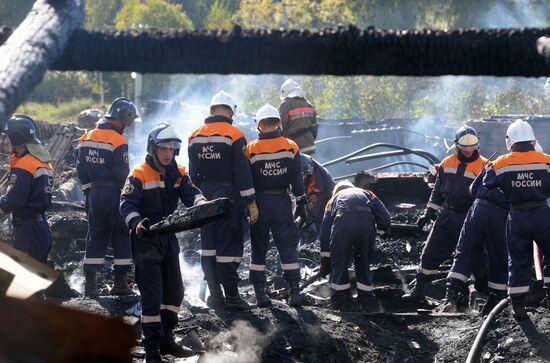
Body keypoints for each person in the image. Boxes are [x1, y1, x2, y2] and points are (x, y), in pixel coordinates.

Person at [120, 123, 205, 362]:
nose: (169, 153)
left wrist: (201, 203)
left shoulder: (178, 172)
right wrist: (138, 223)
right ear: (153, 148)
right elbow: (125, 207)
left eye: (172, 149)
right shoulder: (138, 174)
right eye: (164, 148)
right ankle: (152, 349)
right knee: (152, 297)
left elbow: (191, 194)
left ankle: (167, 340)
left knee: (174, 292)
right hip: (145, 239)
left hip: (168, 238)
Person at [188, 91, 257, 310]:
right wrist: (251, 202)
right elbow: (242, 173)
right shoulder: (235, 135)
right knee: (229, 246)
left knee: (208, 247)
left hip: (205, 196)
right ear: (229, 111)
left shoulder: (194, 136)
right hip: (229, 196)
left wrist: (201, 195)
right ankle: (233, 298)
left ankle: (215, 296)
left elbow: (193, 175)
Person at [403, 125, 487, 301]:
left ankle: (479, 294)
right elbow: (438, 192)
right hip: (447, 216)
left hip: (469, 217)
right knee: (430, 252)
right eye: (465, 146)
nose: (468, 150)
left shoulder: (485, 166)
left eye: (472, 145)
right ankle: (419, 291)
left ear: (477, 144)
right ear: (457, 145)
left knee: (474, 256)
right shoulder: (447, 163)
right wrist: (428, 212)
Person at [483, 119, 550, 320]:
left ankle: (518, 306)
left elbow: (487, 183)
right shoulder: (546, 160)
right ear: (532, 140)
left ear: (510, 141)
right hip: (542, 214)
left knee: (518, 258)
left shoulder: (501, 162)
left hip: (517, 217)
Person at [246, 104, 307, 308]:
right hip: (282, 202)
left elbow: (247, 180)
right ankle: (294, 293)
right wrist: (301, 204)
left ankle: (260, 295)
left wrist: (249, 204)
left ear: (259, 125)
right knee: (287, 246)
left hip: (259, 204)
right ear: (279, 123)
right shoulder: (291, 146)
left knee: (258, 248)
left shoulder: (251, 149)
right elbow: (297, 181)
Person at [77, 97, 138, 298]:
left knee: (95, 236)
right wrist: (130, 197)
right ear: (124, 119)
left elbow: (81, 169)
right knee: (121, 236)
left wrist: (88, 192)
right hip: (114, 193)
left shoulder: (87, 137)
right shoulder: (119, 141)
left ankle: (90, 287)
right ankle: (120, 285)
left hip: (94, 193)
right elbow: (122, 174)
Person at [442, 163, 509, 314]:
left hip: (477, 209)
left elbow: (472, 189)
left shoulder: (495, 163)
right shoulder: (535, 167)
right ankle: (497, 299)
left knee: (465, 251)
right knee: (499, 255)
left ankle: (451, 296)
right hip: (500, 213)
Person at [319, 180, 391, 311]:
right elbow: (385, 217)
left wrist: (325, 258)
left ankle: (342, 301)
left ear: (335, 192)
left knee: (339, 261)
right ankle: (366, 301)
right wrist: (378, 233)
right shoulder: (367, 193)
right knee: (363, 262)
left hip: (343, 222)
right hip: (366, 223)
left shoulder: (333, 199)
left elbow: (324, 231)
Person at [0, 115, 54, 264]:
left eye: (8, 137)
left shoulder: (23, 166)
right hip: (40, 228)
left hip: (27, 232)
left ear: (16, 138)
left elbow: (15, 199)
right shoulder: (42, 162)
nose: (5, 141)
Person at [297, 153, 335, 244]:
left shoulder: (318, 184)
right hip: (317, 201)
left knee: (314, 229)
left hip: (325, 207)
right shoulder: (305, 163)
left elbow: (312, 210)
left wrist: (299, 224)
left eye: (303, 177)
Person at [278, 79, 318, 155]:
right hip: (310, 146)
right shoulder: (308, 104)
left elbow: (280, 128)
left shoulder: (285, 105)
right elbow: (315, 128)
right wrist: (309, 140)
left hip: (294, 148)